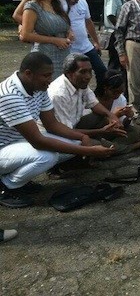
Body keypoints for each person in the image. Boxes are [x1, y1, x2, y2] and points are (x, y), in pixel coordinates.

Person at [0, 53, 114, 208]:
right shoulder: (10, 95)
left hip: (17, 141)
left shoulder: (38, 87)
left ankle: (19, 180)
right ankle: (6, 186)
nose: (50, 80)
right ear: (28, 74)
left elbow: (52, 124)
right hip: (4, 147)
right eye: (46, 75)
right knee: (47, 157)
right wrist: (89, 151)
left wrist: (82, 137)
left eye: (50, 75)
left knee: (75, 142)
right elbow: (38, 141)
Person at [47, 53, 140, 155]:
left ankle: (107, 145)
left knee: (136, 130)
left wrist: (111, 116)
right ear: (69, 73)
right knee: (100, 147)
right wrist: (101, 131)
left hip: (80, 127)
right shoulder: (59, 95)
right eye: (82, 72)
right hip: (64, 136)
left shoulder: (80, 84)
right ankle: (121, 147)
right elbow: (68, 132)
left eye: (90, 71)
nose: (88, 76)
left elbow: (94, 104)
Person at [75, 69, 140, 153]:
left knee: (137, 130)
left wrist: (129, 117)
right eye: (115, 92)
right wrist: (114, 115)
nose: (117, 95)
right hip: (93, 133)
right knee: (101, 145)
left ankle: (113, 146)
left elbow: (123, 126)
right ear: (105, 88)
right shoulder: (92, 100)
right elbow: (89, 125)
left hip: (111, 133)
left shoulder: (120, 99)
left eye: (120, 92)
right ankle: (130, 147)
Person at [19, 0, 72, 80]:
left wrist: (69, 32)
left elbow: (65, 25)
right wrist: (55, 40)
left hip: (63, 55)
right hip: (44, 56)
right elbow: (25, 35)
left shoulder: (57, 6)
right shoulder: (32, 6)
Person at [66, 0, 107, 89]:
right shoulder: (61, 5)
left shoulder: (83, 1)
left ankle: (99, 95)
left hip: (85, 46)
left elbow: (88, 22)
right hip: (70, 49)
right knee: (74, 77)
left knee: (101, 70)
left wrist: (96, 42)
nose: (76, 1)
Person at [103, 0, 128, 72]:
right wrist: (120, 30)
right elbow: (111, 15)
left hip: (117, 33)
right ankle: (111, 85)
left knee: (119, 64)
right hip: (114, 34)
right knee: (115, 63)